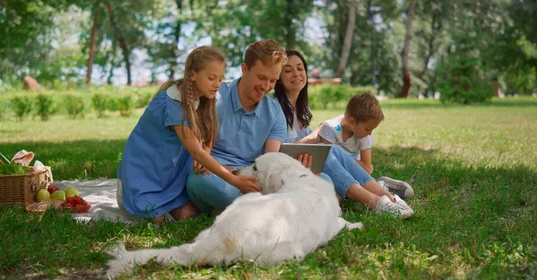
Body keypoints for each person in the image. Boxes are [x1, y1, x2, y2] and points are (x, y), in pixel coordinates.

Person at [116, 46, 259, 223]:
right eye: (211, 78)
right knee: (158, 219)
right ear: (193, 74)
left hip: (169, 174)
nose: (217, 84)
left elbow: (209, 134)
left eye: (221, 79)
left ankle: (170, 200)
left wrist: (206, 152)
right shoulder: (175, 104)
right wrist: (233, 180)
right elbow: (196, 151)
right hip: (143, 174)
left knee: (188, 215)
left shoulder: (206, 97)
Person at [274, 49, 414, 219]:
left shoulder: (302, 109)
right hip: (287, 165)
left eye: (300, 68)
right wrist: (313, 138)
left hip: (306, 162)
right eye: (288, 71)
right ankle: (375, 202)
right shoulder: (275, 108)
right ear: (278, 78)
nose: (296, 74)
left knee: (331, 154)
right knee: (328, 156)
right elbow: (276, 152)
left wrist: (314, 140)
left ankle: (389, 197)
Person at [186, 39, 300, 214]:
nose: (266, 87)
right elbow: (197, 152)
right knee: (199, 181)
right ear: (244, 69)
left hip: (251, 179)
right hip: (215, 175)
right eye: (261, 77)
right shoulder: (213, 97)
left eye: (273, 81)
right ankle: (269, 209)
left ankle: (238, 209)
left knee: (323, 179)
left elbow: (270, 161)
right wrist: (228, 172)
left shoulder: (275, 113)